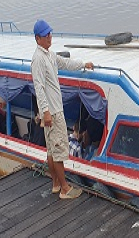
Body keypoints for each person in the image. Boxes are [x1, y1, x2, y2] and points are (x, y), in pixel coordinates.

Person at [31, 19, 94, 199]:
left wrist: (83, 64)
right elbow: (39, 87)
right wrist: (46, 112)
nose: (50, 37)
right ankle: (65, 189)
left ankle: (56, 184)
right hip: (52, 112)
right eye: (46, 35)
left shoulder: (49, 55)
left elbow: (66, 63)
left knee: (52, 149)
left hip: (53, 110)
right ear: (37, 38)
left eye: (50, 33)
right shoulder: (38, 60)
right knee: (58, 150)